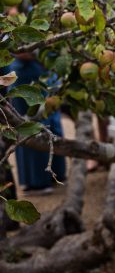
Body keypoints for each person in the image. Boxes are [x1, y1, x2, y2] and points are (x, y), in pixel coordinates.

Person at [0, 51, 67, 195]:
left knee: (41, 122)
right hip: (28, 72)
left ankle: (47, 177)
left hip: (36, 71)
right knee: (33, 124)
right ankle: (42, 179)